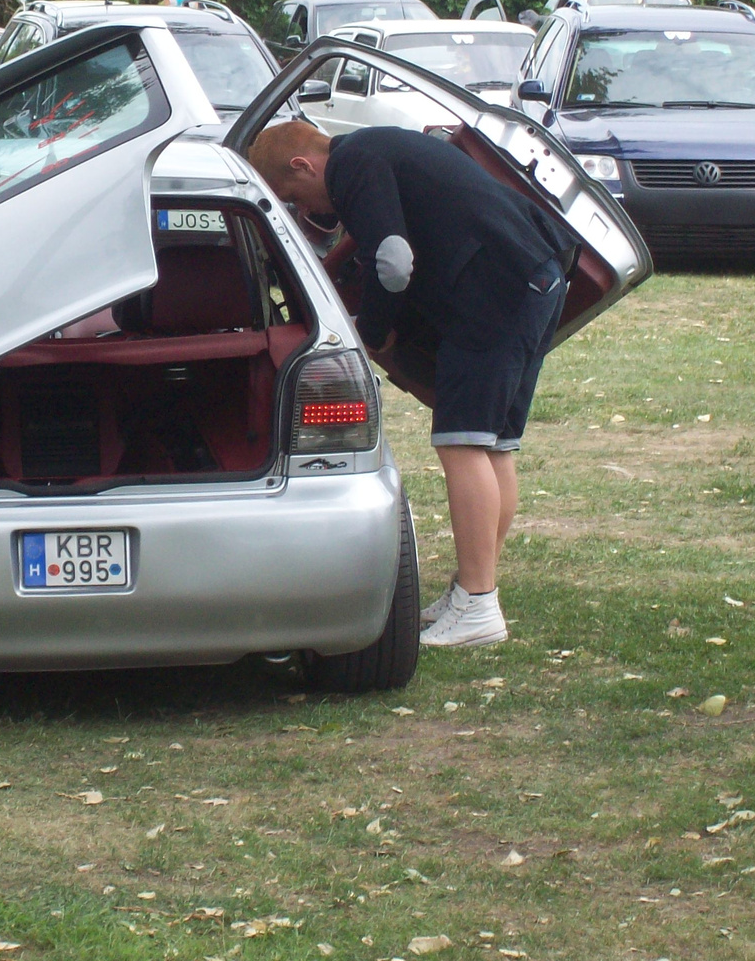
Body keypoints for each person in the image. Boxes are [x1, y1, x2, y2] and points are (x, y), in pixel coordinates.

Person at [245, 121, 579, 648]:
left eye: (294, 196)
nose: (306, 210)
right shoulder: (384, 147)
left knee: (463, 442)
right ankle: (474, 590)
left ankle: (479, 606)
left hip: (493, 288)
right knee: (495, 446)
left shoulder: (353, 162)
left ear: (303, 166)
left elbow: (394, 260)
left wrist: (372, 333)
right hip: (538, 275)